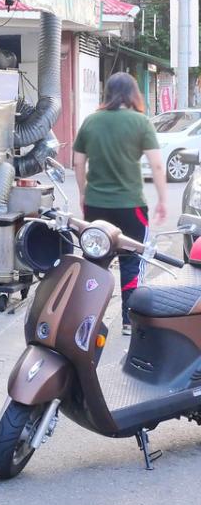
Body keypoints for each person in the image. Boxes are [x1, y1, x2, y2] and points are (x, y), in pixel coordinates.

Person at [73, 71, 167, 336]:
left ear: (108, 94)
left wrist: (83, 192)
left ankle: (85, 318)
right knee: (132, 260)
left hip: (96, 206)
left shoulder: (91, 121)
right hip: (131, 207)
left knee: (94, 260)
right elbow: (158, 164)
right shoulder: (141, 122)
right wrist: (162, 199)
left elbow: (78, 163)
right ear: (133, 94)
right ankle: (128, 320)